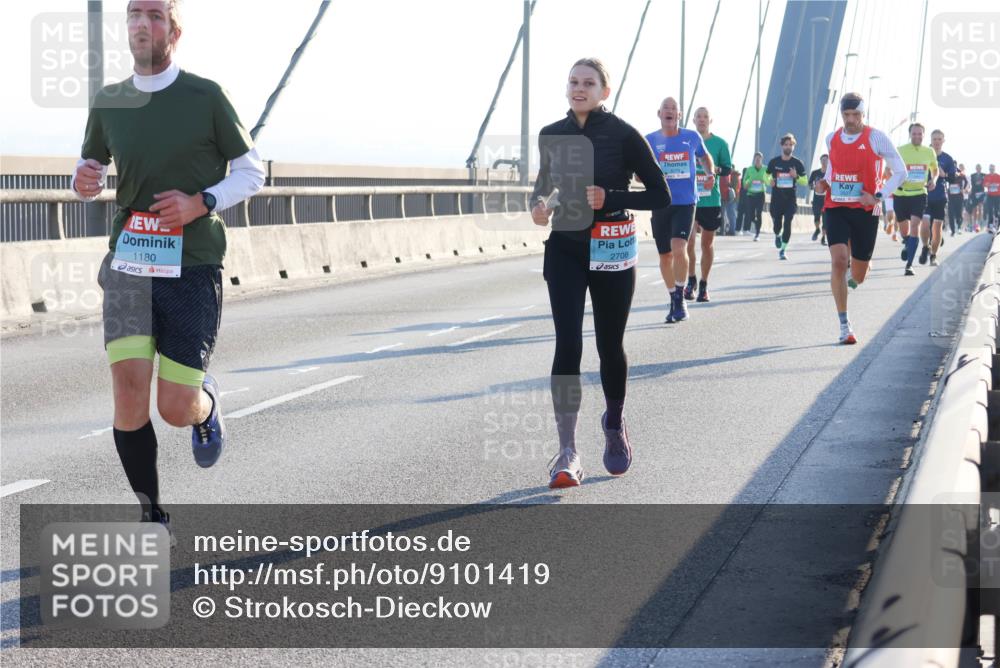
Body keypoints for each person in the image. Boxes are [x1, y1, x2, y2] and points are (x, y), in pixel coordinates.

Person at [72, 0, 265, 530]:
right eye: (135, 14)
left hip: (192, 264)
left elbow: (252, 172)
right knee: (128, 392)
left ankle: (207, 405)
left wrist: (201, 202)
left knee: (175, 408)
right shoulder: (110, 101)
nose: (143, 23)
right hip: (130, 262)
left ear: (173, 32)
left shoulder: (207, 96)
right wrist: (83, 179)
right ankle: (152, 515)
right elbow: (91, 166)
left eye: (155, 15)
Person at [532, 58, 670, 489]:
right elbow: (544, 186)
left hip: (612, 246)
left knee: (609, 345)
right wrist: (538, 207)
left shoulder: (624, 134)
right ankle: (567, 452)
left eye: (588, 83)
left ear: (604, 92)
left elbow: (660, 194)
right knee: (567, 343)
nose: (579, 88)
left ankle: (613, 421)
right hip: (566, 247)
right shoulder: (551, 134)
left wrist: (611, 196)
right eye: (573, 81)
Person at [820, 93, 904, 344]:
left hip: (866, 210)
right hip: (836, 206)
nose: (850, 120)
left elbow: (900, 172)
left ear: (863, 114)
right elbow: (833, 169)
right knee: (838, 261)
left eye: (855, 115)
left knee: (858, 276)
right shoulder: (831, 138)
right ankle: (844, 325)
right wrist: (824, 183)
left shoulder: (876, 137)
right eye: (846, 115)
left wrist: (878, 196)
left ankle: (859, 270)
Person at [645, 98, 714, 322]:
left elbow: (705, 157)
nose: (670, 111)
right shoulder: (649, 140)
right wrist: (643, 176)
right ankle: (674, 297)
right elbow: (639, 170)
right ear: (659, 113)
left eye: (674, 108)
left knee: (679, 246)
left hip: (686, 202)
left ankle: (681, 296)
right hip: (661, 202)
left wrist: (710, 173)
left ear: (680, 115)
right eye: (666, 108)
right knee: (665, 256)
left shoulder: (691, 137)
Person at [684, 106, 732, 302]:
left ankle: (704, 284)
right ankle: (691, 280)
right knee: (688, 242)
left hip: (711, 200)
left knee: (707, 244)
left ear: (710, 120)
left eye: (705, 117)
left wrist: (712, 171)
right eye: (699, 116)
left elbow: (727, 169)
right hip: (689, 199)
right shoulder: (686, 141)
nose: (702, 119)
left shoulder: (720, 144)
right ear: (693, 120)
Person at [894, 123, 938, 276]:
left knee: (914, 227)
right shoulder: (900, 150)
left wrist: (934, 180)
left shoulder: (929, 151)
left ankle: (909, 265)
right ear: (910, 134)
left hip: (919, 193)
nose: (917, 136)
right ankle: (907, 243)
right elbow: (890, 169)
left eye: (920, 134)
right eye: (914, 134)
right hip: (900, 194)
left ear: (924, 135)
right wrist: (896, 178)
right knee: (904, 230)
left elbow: (935, 169)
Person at [766, 134, 808, 260]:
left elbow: (805, 181)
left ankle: (783, 250)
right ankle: (777, 235)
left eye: (790, 145)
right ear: (782, 146)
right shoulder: (774, 162)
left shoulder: (797, 163)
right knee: (777, 225)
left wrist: (796, 176)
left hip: (790, 199)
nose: (788, 147)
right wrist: (769, 181)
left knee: (788, 221)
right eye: (786, 145)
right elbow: (766, 175)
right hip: (776, 199)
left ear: (793, 146)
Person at [921, 129, 955, 267]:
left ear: (943, 141)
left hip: (940, 197)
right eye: (934, 139)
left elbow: (952, 178)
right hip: (924, 195)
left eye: (939, 139)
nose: (937, 142)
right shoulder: (923, 155)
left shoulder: (947, 158)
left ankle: (933, 256)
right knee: (924, 224)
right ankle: (925, 246)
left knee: (937, 228)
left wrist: (943, 173)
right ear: (930, 140)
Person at [742, 153, 768, 240]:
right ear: (754, 159)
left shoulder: (765, 169)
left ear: (762, 160)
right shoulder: (749, 169)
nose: (757, 161)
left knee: (759, 213)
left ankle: (757, 234)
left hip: (760, 194)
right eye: (756, 159)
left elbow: (769, 179)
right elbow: (744, 181)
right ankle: (756, 224)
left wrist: (765, 180)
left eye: (759, 159)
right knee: (751, 215)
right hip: (751, 195)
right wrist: (747, 183)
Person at [808, 154, 829, 245]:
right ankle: (817, 229)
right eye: (823, 160)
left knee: (825, 220)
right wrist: (813, 186)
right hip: (816, 199)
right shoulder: (815, 173)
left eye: (826, 160)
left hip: (827, 200)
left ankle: (823, 238)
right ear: (820, 161)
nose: (824, 162)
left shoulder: (831, 173)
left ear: (829, 162)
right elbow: (810, 184)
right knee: (816, 217)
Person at [948, 163, 968, 237]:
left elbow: (966, 181)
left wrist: (963, 189)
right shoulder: (948, 172)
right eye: (952, 165)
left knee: (959, 214)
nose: (953, 167)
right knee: (950, 214)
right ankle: (953, 230)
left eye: (954, 165)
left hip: (959, 196)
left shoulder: (961, 173)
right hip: (951, 197)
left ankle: (959, 227)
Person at [986, 164, 1000, 231]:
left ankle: (997, 225)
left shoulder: (998, 176)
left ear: (994, 169)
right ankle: (990, 225)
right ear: (989, 169)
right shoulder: (987, 176)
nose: (991, 170)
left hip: (997, 196)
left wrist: (997, 185)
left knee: (997, 211)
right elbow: (984, 184)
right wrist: (987, 184)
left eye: (992, 169)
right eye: (990, 169)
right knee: (990, 211)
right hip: (990, 196)